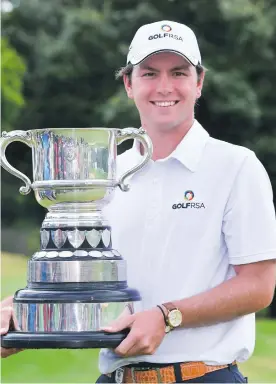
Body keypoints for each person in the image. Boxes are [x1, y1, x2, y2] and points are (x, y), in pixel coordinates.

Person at [1, 20, 276, 383]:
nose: (164, 87)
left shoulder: (236, 166)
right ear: (129, 84)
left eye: (178, 72)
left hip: (204, 377)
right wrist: (26, 311)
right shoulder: (106, 175)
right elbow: (91, 277)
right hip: (116, 377)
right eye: (150, 73)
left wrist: (167, 315)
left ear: (199, 83)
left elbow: (259, 285)